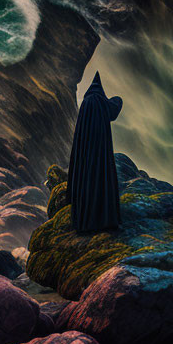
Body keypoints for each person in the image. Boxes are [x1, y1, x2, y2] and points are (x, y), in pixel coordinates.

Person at [68, 72, 122, 232]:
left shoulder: (85, 103)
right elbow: (114, 110)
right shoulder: (101, 102)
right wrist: (118, 99)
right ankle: (103, 220)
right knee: (100, 180)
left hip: (85, 149)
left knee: (86, 181)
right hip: (100, 149)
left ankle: (84, 222)